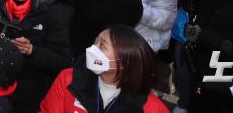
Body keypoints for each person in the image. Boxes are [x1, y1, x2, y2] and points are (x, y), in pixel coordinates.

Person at [40, 25, 169, 112]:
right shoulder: (69, 79)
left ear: (123, 62)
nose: (93, 48)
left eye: (102, 45)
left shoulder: (149, 107)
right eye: (96, 41)